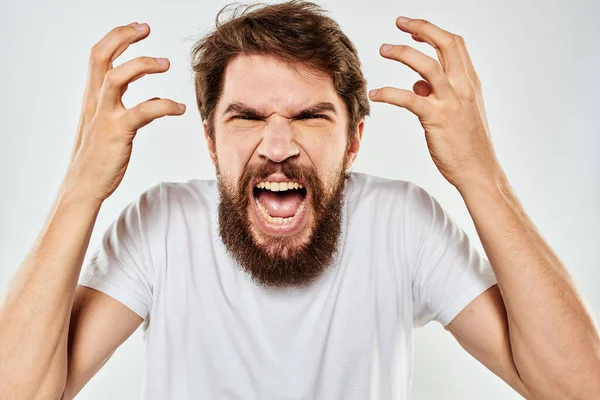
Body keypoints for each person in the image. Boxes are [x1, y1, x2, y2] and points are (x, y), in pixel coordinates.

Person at [0, 1, 598, 399]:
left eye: (311, 116)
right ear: (210, 140)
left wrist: (480, 173)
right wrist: (82, 187)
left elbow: (577, 387)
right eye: (248, 117)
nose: (279, 146)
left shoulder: (401, 223)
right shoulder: (163, 224)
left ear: (354, 138)